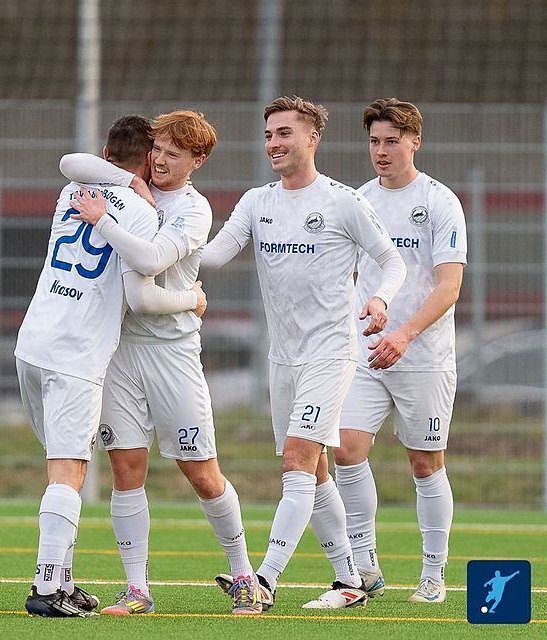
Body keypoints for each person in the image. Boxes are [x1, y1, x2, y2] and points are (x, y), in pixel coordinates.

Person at [200, 96, 407, 610]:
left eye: (284, 133)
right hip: (283, 359)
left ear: (312, 138)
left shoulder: (341, 202)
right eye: (269, 134)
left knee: (297, 460)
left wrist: (380, 298)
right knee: (313, 472)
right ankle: (350, 580)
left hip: (331, 354)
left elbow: (392, 261)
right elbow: (210, 255)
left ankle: (263, 580)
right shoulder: (256, 202)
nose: (274, 143)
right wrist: (154, 231)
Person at [62, 109, 261, 616]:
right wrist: (125, 180)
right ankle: (137, 589)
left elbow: (150, 263)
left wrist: (104, 221)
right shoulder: (129, 188)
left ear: (198, 160)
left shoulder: (194, 211)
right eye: (158, 150)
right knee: (125, 467)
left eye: (174, 154)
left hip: (172, 352)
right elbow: (72, 162)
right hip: (120, 348)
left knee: (201, 472)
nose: (161, 160)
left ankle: (244, 575)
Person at [14, 114, 207, 617]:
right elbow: (141, 298)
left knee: (59, 467)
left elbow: (70, 161)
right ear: (148, 160)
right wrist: (191, 298)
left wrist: (118, 180)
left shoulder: (74, 189)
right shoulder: (144, 215)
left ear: (105, 153)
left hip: (31, 345)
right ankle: (48, 587)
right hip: (76, 356)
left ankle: (64, 579)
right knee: (68, 469)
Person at [334, 98, 467, 605]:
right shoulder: (358, 199)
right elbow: (347, 276)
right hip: (367, 351)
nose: (382, 151)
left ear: (415, 141)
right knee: (346, 449)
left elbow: (448, 285)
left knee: (425, 463)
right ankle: (365, 564)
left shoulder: (439, 201)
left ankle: (433, 574)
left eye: (392, 141)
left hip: (422, 354)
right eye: (374, 142)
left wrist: (405, 334)